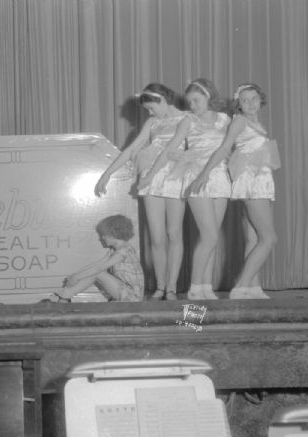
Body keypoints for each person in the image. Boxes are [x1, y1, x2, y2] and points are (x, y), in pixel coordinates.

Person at [140, 78, 231, 300]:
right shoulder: (187, 120)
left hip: (219, 177)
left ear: (209, 96)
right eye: (189, 101)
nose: (192, 105)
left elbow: (231, 147)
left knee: (212, 238)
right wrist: (150, 175)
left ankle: (206, 288)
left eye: (196, 100)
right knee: (208, 235)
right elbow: (169, 150)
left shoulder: (225, 119)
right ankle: (194, 287)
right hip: (195, 176)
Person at [95, 83, 186, 300]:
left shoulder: (185, 119)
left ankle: (172, 287)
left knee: (174, 234)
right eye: (147, 110)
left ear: (162, 101)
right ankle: (161, 286)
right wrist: (107, 174)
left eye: (151, 108)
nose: (149, 113)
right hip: (151, 180)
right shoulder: (153, 122)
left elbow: (170, 148)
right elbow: (131, 149)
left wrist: (149, 175)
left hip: (174, 176)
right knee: (156, 237)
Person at [189, 83, 278, 299]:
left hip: (262, 180)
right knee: (269, 238)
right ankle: (241, 285)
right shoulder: (239, 121)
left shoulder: (256, 122)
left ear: (261, 99)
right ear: (238, 104)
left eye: (254, 99)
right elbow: (224, 148)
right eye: (244, 100)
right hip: (252, 183)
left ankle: (252, 288)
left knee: (255, 238)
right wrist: (203, 174)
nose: (250, 104)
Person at [45, 215, 144, 302]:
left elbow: (98, 269)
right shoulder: (115, 250)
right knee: (95, 272)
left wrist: (76, 277)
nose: (101, 238)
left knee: (98, 273)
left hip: (133, 297)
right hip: (125, 292)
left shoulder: (124, 251)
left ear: (112, 235)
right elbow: (96, 265)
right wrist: (75, 275)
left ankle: (64, 296)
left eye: (104, 235)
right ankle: (64, 295)